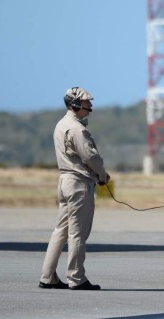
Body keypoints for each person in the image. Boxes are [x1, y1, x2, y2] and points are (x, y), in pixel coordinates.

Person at [39, 87, 110, 291]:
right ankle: (76, 278)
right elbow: (90, 158)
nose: (90, 106)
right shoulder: (78, 129)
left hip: (64, 182)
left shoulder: (61, 125)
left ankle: (47, 276)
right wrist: (102, 175)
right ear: (76, 105)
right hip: (79, 184)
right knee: (78, 233)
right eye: (87, 103)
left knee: (61, 230)